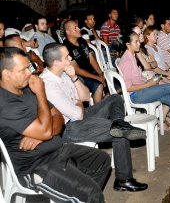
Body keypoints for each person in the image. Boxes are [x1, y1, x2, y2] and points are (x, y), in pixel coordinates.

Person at [0, 47, 111, 202]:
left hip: (56, 150)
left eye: (28, 67)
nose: (29, 73)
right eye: (23, 70)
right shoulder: (5, 104)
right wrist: (40, 93)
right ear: (6, 74)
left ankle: (77, 197)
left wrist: (43, 135)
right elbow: (46, 129)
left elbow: (58, 117)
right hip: (34, 166)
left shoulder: (25, 87)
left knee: (101, 160)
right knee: (91, 194)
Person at [40, 42, 148, 192]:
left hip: (79, 116)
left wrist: (74, 78)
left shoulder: (64, 73)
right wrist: (78, 105)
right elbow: (77, 114)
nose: (71, 58)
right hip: (69, 129)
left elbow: (84, 96)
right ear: (57, 62)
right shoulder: (48, 84)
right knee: (120, 133)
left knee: (115, 99)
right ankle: (124, 180)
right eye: (67, 57)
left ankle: (118, 123)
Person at [63, 20, 106, 103]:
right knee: (99, 84)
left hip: (90, 72)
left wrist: (101, 73)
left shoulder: (82, 41)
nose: (79, 29)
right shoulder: (66, 47)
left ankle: (102, 103)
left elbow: (91, 59)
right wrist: (97, 77)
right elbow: (76, 70)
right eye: (75, 28)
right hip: (78, 77)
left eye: (78, 27)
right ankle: (98, 111)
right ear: (68, 32)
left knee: (112, 82)